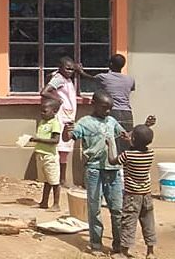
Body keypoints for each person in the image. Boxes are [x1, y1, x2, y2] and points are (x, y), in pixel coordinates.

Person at [68, 90, 126, 255]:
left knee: (117, 209)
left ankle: (118, 245)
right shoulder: (84, 122)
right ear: (93, 104)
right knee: (95, 209)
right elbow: (69, 137)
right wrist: (67, 131)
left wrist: (144, 128)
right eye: (104, 107)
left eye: (110, 108)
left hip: (113, 170)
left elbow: (125, 136)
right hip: (94, 170)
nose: (107, 111)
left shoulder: (112, 121)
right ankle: (96, 244)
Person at [113, 124, 159, 258]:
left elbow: (113, 160)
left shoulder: (127, 155)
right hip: (146, 194)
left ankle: (123, 252)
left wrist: (110, 145)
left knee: (128, 223)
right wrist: (131, 140)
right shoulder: (150, 153)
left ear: (133, 139)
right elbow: (137, 148)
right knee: (148, 223)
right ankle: (150, 252)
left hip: (132, 196)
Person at [82, 54, 136, 152]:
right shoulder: (130, 79)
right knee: (126, 139)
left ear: (110, 64)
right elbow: (131, 89)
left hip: (111, 112)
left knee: (110, 140)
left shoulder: (103, 77)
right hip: (127, 113)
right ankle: (124, 160)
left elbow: (90, 78)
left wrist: (80, 71)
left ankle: (112, 160)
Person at [41, 57, 79, 187]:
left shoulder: (66, 79)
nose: (70, 71)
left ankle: (62, 179)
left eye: (72, 69)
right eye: (67, 68)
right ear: (60, 67)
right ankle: (56, 179)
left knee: (65, 149)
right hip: (61, 117)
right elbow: (44, 92)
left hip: (68, 117)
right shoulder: (59, 79)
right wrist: (57, 100)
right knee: (59, 147)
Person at [29, 96, 64, 210]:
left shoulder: (55, 124)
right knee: (46, 181)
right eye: (41, 111)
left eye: (45, 111)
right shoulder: (42, 122)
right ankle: (44, 202)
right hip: (40, 155)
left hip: (50, 156)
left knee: (54, 181)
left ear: (54, 111)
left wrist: (38, 140)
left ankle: (56, 204)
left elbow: (55, 140)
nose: (42, 113)